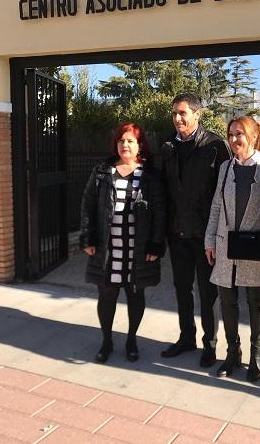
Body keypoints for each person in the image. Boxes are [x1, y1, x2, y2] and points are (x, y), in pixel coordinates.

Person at [80, 122, 166, 364]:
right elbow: (87, 205)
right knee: (106, 296)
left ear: (140, 145)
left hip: (137, 249)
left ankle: (131, 340)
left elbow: (160, 212)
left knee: (135, 295)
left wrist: (156, 245)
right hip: (108, 249)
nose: (124, 144)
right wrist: (87, 237)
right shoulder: (102, 171)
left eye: (130, 140)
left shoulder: (150, 175)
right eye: (121, 140)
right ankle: (106, 341)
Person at [160, 93, 231, 367]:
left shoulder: (215, 145)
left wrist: (217, 234)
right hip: (178, 234)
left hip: (205, 236)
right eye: (174, 113)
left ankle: (209, 345)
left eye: (183, 113)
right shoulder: (167, 147)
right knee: (181, 289)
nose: (178, 118)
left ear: (197, 115)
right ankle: (186, 337)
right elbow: (165, 192)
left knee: (207, 292)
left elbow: (224, 193)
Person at [204, 116, 260, 382]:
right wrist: (209, 240)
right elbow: (215, 206)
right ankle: (232, 352)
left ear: (254, 135)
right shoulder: (225, 167)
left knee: (255, 301)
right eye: (231, 134)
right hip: (225, 247)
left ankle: (256, 356)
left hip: (256, 247)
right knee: (227, 301)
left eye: (240, 134)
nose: (235, 139)